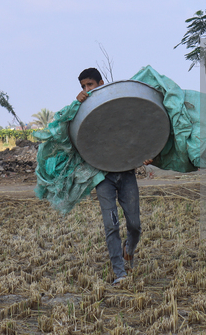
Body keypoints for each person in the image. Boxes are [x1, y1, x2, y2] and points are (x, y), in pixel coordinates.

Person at [76, 67, 152, 287]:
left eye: (90, 85)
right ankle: (119, 272)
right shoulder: (82, 110)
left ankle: (129, 249)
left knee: (135, 224)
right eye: (83, 86)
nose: (86, 90)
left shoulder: (118, 107)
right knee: (111, 226)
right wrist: (77, 103)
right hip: (103, 177)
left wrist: (146, 155)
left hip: (126, 173)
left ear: (101, 84)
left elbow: (136, 132)